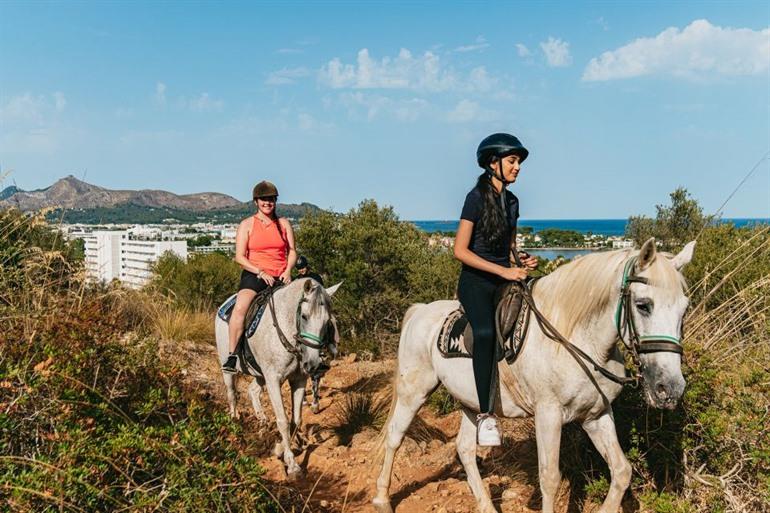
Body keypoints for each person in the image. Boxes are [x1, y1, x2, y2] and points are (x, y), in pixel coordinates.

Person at [452, 133, 538, 446]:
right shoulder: (474, 199)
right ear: (493, 163)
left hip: (505, 278)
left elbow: (510, 246)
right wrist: (503, 269)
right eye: (512, 161)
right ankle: (486, 415)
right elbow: (460, 251)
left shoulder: (513, 202)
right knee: (486, 333)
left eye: (519, 162)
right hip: (475, 282)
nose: (518, 167)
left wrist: (522, 259)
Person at [222, 181, 297, 373]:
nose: (268, 202)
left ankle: (316, 351)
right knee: (240, 308)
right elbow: (239, 257)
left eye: (271, 199)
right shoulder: (246, 225)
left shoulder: (284, 224)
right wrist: (260, 271)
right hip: (255, 275)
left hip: (281, 275)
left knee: (308, 305)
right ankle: (232, 355)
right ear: (256, 201)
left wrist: (288, 270)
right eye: (264, 199)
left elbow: (292, 251)